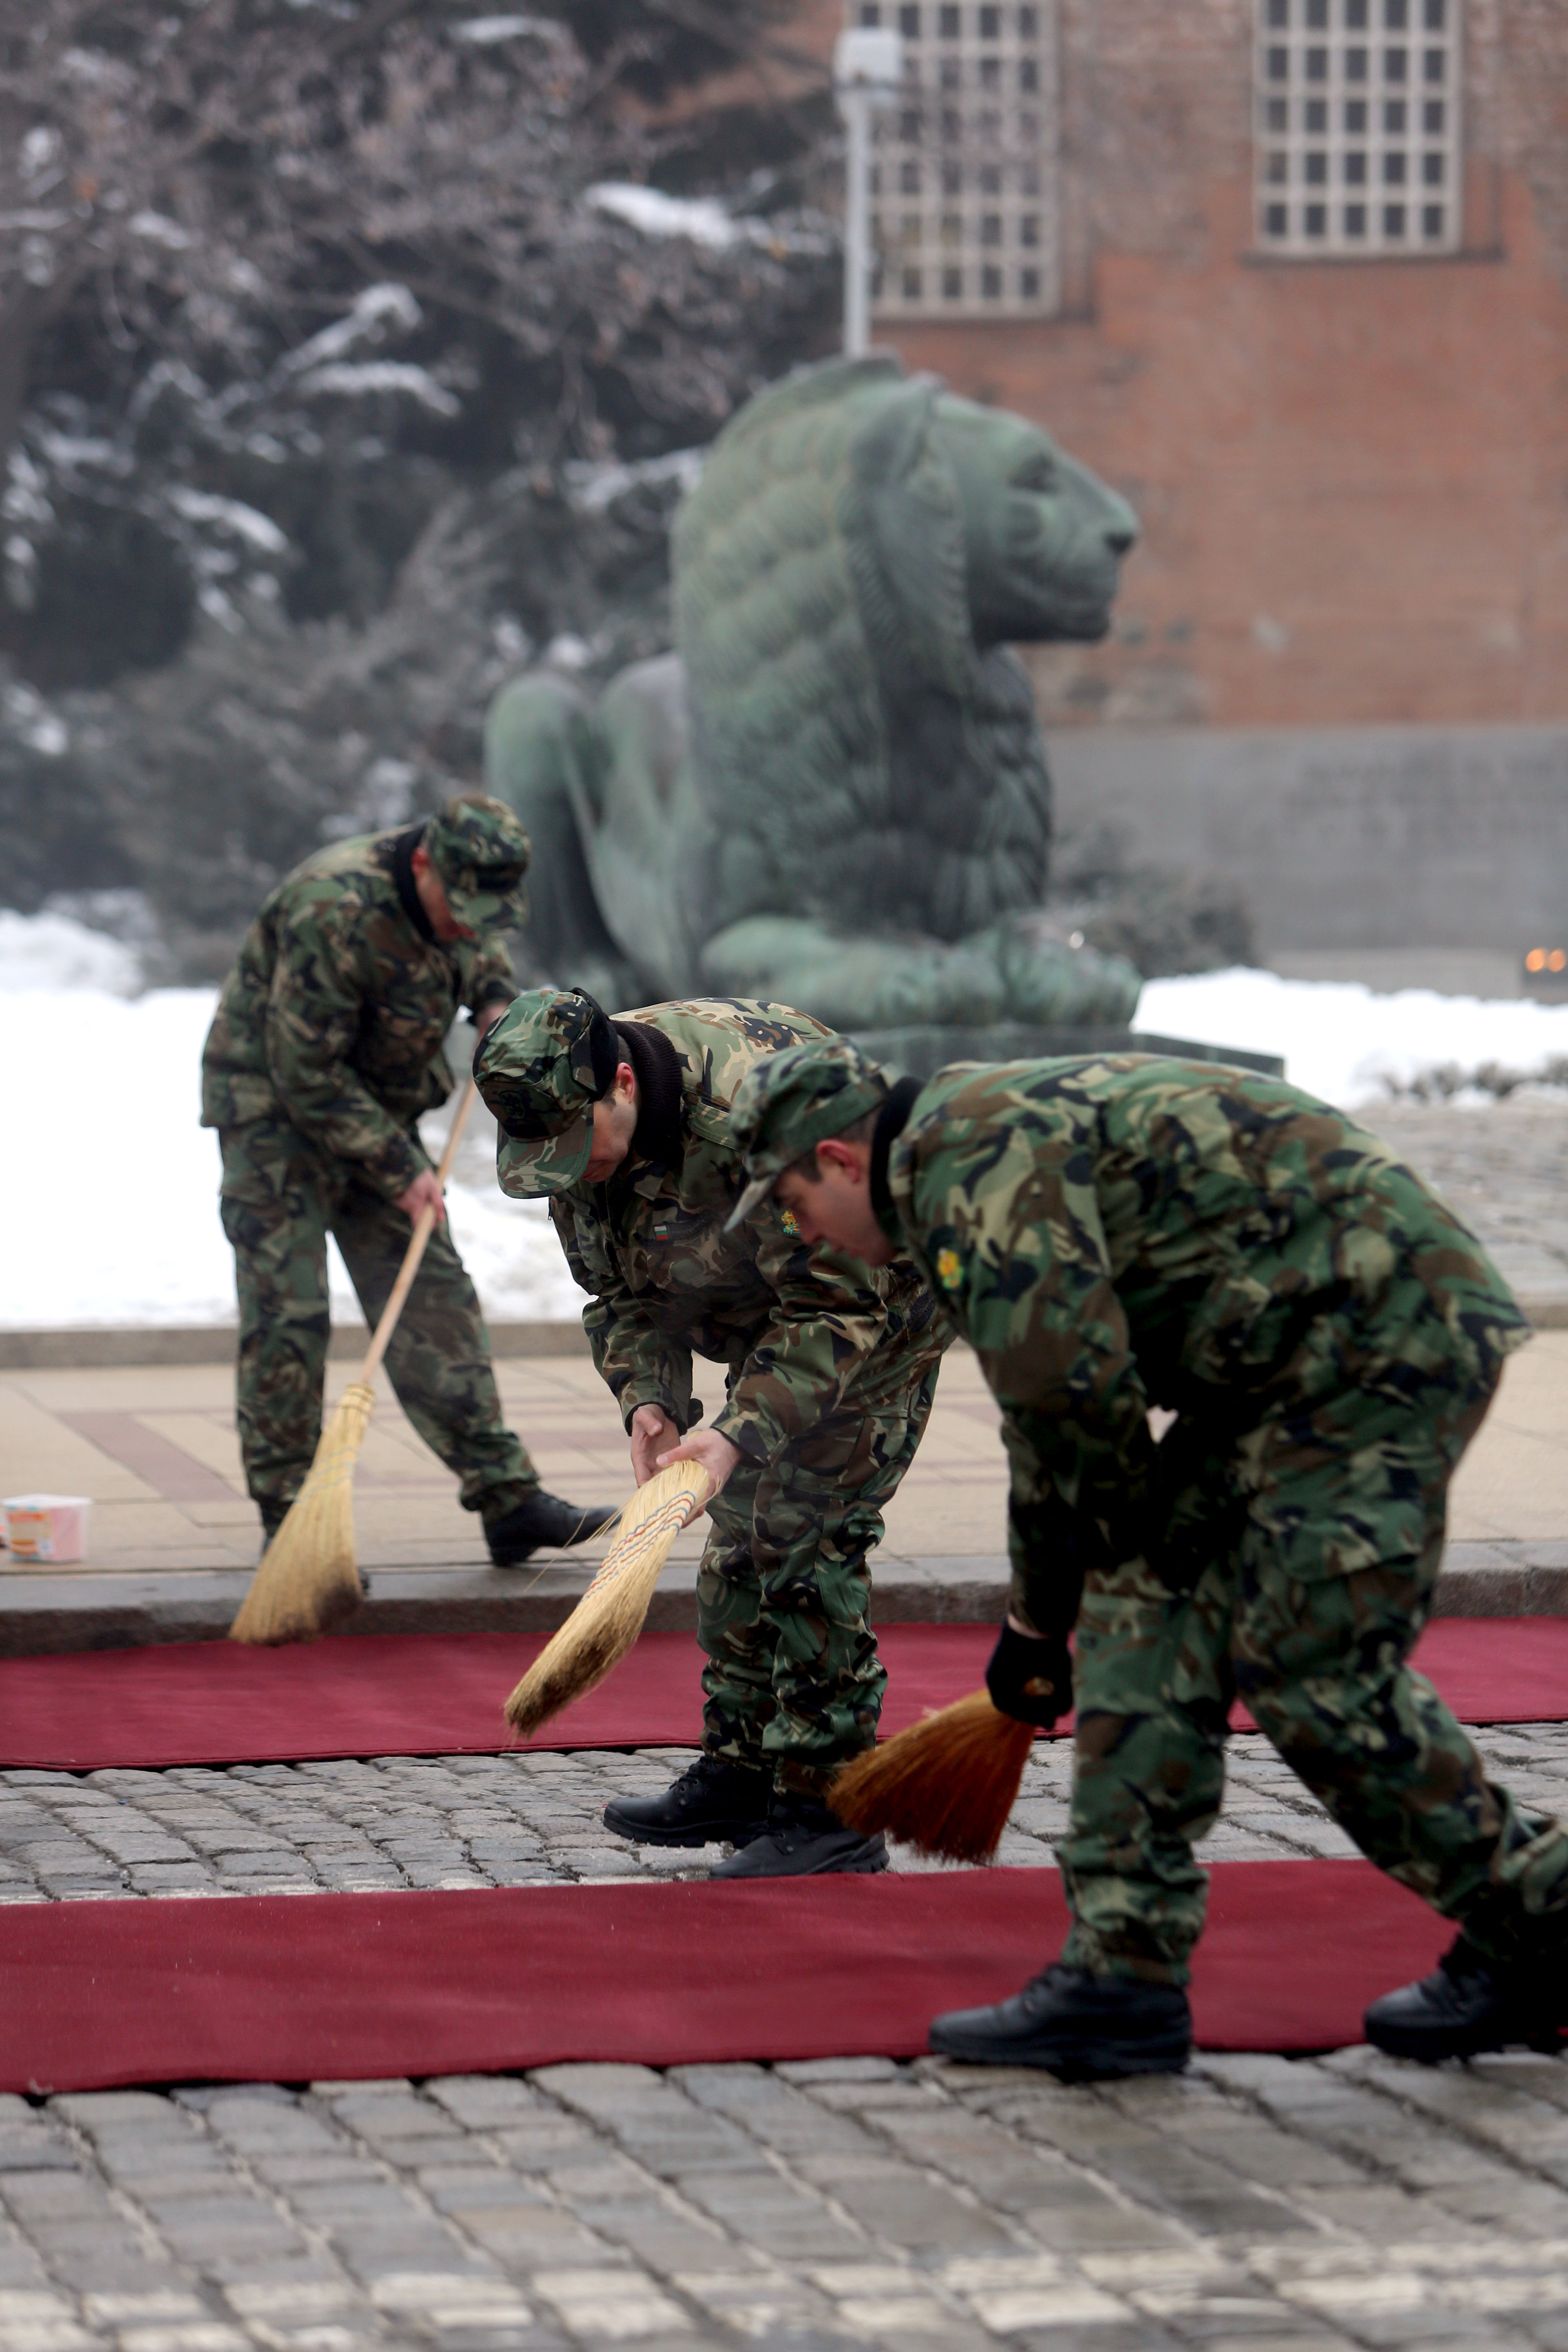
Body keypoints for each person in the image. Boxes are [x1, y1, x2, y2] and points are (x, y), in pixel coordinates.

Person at [725, 1038, 1568, 2070]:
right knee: (1143, 1604)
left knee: (1309, 1664)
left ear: (843, 1159)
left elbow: (1071, 1408)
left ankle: (1545, 1913)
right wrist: (1053, 1613)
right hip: (1273, 1360)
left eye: (793, 1201)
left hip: (1382, 1339)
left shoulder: (967, 1167)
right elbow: (1066, 1418)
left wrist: (1037, 1618)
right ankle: (1120, 1975)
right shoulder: (950, 1156)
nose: (798, 1232)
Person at [470, 989, 949, 1875]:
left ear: (622, 1082)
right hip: (762, 1302)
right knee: (736, 1544)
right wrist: (650, 1403)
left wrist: (738, 1434)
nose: (573, 1175)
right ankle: (741, 1769)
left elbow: (838, 1304)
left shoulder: (750, 1115)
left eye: (582, 1149)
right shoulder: (568, 1128)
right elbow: (618, 1294)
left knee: (804, 1531)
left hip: (876, 1298)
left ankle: (830, 1808)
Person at [201, 793, 615, 1565]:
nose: (467, 922)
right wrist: (399, 1169)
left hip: (379, 1110)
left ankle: (506, 1498)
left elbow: (480, 954)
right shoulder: (335, 909)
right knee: (288, 1317)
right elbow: (306, 1072)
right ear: (423, 861)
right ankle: (290, 1521)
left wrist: (494, 1002)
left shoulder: (465, 901)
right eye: (457, 906)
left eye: (483, 911)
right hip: (274, 1116)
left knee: (432, 1297)